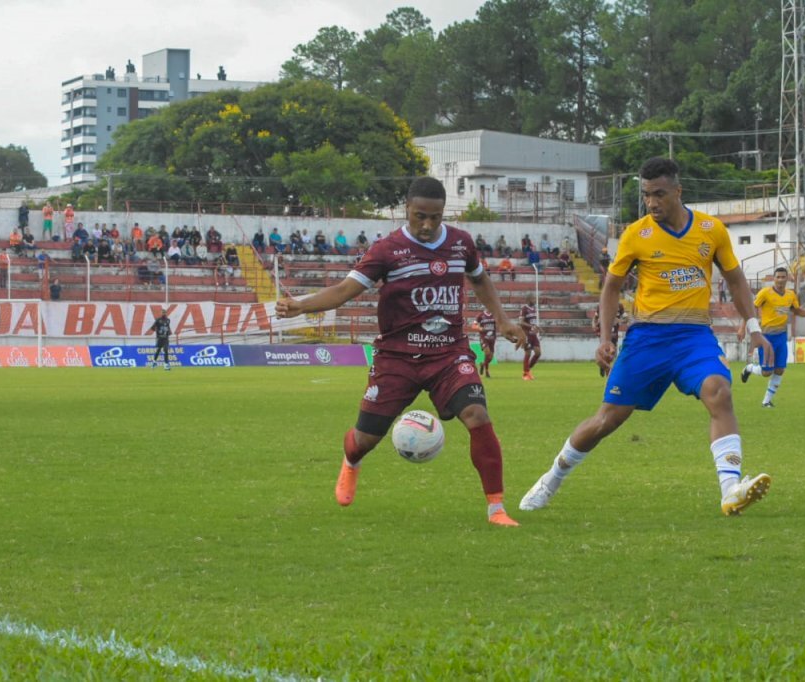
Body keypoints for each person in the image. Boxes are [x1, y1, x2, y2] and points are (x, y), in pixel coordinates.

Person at [518, 157, 774, 518]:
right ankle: (551, 479)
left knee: (720, 391)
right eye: (646, 195)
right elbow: (611, 289)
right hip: (647, 339)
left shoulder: (711, 230)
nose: (652, 203)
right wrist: (606, 339)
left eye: (659, 194)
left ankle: (730, 490)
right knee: (607, 420)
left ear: (677, 191)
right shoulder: (636, 235)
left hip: (693, 336)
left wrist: (754, 328)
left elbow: (735, 279)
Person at [275, 176, 527, 527]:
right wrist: (301, 305)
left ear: (443, 214)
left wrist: (502, 320)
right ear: (405, 210)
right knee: (365, 439)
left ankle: (496, 508)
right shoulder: (386, 250)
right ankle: (351, 461)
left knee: (477, 416)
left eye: (434, 217)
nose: (426, 225)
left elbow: (480, 278)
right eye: (419, 216)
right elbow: (346, 290)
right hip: (397, 357)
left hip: (448, 354)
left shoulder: (461, 243)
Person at [739, 267, 805, 407]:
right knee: (766, 372)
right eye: (778, 277)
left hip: (781, 336)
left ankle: (766, 402)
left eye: (783, 277)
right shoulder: (765, 293)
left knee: (779, 370)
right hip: (766, 337)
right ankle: (749, 368)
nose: (781, 280)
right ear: (774, 278)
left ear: (787, 279)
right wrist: (742, 328)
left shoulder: (790, 295)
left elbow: (797, 311)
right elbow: (750, 310)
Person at [592, 302, 626, 377]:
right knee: (605, 350)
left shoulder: (620, 306)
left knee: (613, 352)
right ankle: (605, 367)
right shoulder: (601, 306)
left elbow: (624, 319)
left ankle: (607, 367)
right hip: (604, 334)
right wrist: (594, 325)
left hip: (614, 335)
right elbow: (595, 317)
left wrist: (619, 320)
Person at [474, 308, 497, 378]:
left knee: (490, 358)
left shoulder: (495, 315)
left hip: (492, 338)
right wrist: (480, 328)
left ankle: (483, 365)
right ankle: (487, 372)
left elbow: (499, 324)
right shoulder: (480, 315)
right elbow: (474, 325)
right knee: (487, 353)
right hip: (484, 338)